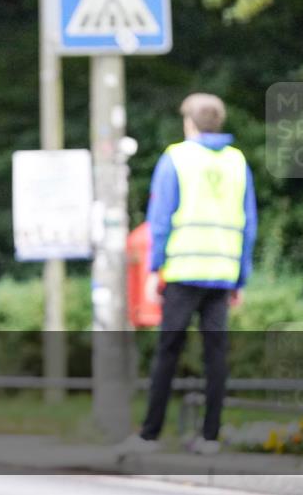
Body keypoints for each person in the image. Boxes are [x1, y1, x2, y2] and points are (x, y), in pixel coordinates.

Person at [120, 93, 257, 456]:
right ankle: (210, 437)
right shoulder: (237, 162)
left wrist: (155, 268)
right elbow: (249, 224)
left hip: (182, 271)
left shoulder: (176, 157)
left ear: (190, 123)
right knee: (216, 355)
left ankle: (149, 436)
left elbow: (160, 219)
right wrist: (241, 277)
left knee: (167, 352)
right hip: (222, 272)